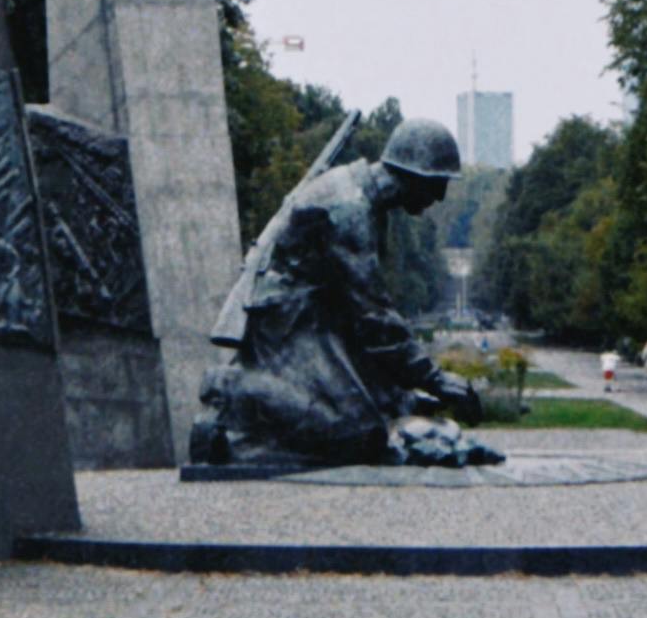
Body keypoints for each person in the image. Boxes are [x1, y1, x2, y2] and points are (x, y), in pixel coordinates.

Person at [185, 118, 501, 469]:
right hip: (289, 324)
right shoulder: (350, 210)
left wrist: (400, 390)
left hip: (321, 316)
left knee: (381, 414)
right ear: (414, 176)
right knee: (357, 434)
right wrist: (435, 379)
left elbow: (359, 307)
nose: (440, 196)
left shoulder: (363, 195)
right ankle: (231, 389)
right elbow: (373, 314)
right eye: (438, 184)